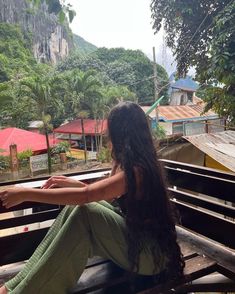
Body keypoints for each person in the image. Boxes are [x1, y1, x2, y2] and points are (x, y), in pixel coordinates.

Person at [0, 102, 184, 294]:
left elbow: (88, 197)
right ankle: (16, 285)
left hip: (151, 257)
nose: (108, 137)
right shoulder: (130, 164)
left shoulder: (138, 170)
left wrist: (26, 193)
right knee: (75, 209)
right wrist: (74, 184)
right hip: (140, 244)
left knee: (84, 211)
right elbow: (101, 195)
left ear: (120, 133)